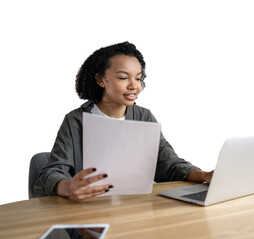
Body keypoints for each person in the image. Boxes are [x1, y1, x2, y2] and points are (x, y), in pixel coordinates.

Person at [34, 42, 213, 200]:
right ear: (100, 79)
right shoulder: (76, 120)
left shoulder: (144, 117)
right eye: (123, 77)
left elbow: (170, 163)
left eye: (138, 78)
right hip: (89, 210)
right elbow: (53, 171)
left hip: (135, 207)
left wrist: (205, 175)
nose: (134, 85)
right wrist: (67, 187)